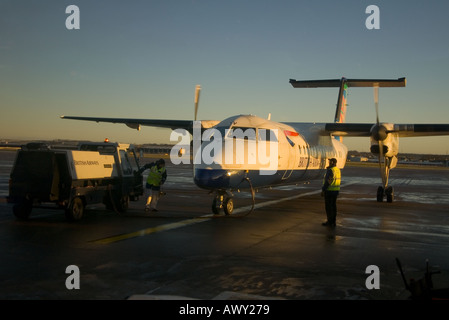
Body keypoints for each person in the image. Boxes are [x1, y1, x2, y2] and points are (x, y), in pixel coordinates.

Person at [321, 158, 341, 227]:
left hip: (329, 191)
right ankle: (333, 221)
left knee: (329, 207)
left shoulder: (331, 170)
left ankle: (330, 221)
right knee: (333, 207)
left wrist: (323, 189)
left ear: (332, 162)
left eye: (329, 162)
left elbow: (328, 181)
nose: (328, 163)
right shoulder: (337, 170)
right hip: (335, 191)